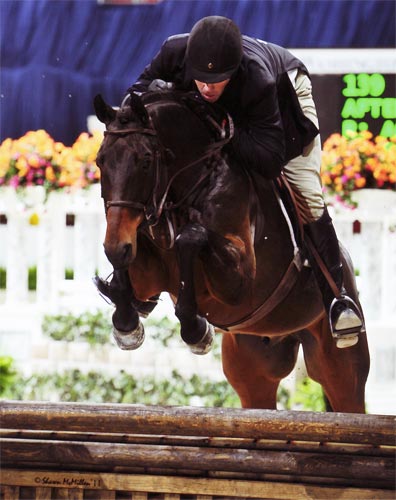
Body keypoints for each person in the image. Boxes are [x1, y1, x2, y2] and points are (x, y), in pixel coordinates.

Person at [95, 15, 364, 345]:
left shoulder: (259, 82)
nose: (207, 87)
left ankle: (338, 300)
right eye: (201, 79)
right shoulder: (173, 53)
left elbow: (268, 159)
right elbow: (133, 101)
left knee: (305, 192)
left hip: (287, 101)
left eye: (217, 80)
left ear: (233, 73)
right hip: (231, 112)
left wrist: (224, 125)